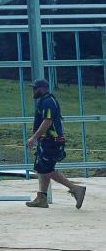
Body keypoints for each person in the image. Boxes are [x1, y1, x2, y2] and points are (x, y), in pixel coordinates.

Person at [25, 78, 85, 209]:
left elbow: (48, 121)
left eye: (35, 88)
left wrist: (34, 138)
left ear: (42, 89)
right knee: (42, 169)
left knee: (46, 170)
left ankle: (75, 188)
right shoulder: (43, 101)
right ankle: (42, 198)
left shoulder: (48, 102)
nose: (33, 91)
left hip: (51, 142)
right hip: (46, 141)